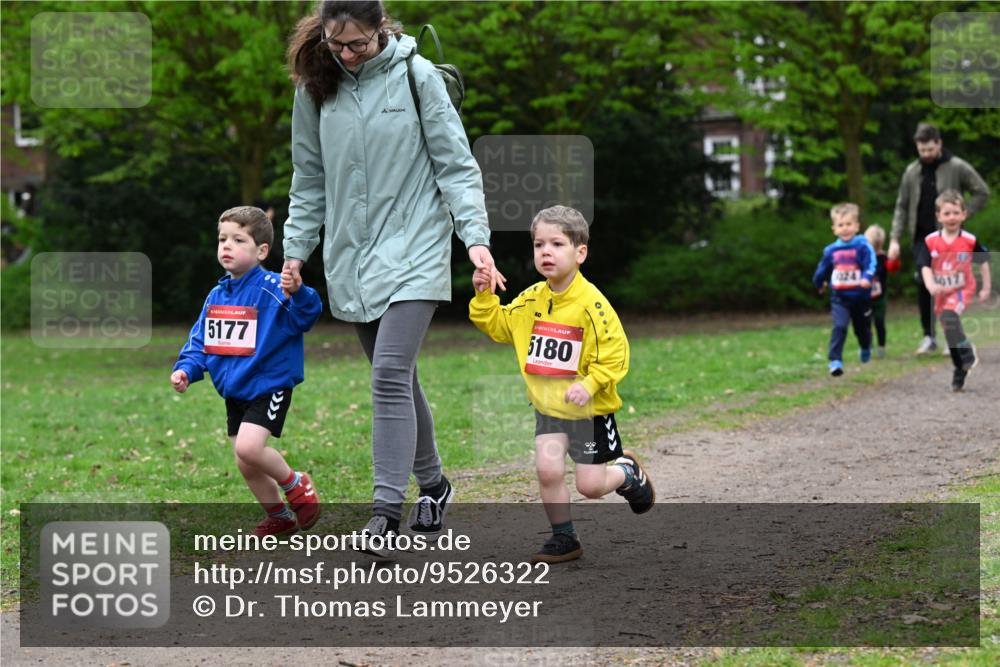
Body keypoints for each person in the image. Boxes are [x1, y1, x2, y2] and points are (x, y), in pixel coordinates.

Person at [282, 1, 505, 555]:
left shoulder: (416, 75)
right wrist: (295, 251)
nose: (346, 54)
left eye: (357, 43)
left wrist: (475, 239)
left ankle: (384, 513)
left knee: (387, 375)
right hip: (351, 256)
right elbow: (308, 178)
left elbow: (456, 165)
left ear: (380, 29)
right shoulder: (316, 87)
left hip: (416, 247)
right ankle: (434, 484)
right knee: (399, 378)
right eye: (336, 43)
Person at [469, 206, 654, 564]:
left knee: (591, 486)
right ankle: (564, 537)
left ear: (580, 252)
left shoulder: (592, 305)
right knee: (548, 470)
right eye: (539, 244)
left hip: (588, 411)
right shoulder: (532, 299)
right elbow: (500, 326)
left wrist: (591, 384)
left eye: (557, 244)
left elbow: (615, 354)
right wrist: (484, 297)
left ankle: (627, 472)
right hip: (549, 409)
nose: (546, 252)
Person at [171, 206, 324, 537]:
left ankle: (297, 484)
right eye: (222, 239)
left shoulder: (275, 287)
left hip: (269, 385)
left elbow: (307, 315)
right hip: (235, 390)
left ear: (261, 251)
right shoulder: (216, 296)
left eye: (239, 240)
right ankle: (280, 517)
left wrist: (299, 291)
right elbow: (201, 341)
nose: (227, 245)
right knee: (246, 462)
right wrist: (186, 369)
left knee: (249, 449)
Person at [888, 123, 989, 355]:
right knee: (924, 284)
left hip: (949, 239)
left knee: (951, 285)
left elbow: (982, 191)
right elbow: (901, 206)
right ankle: (928, 336)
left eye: (930, 149)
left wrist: (962, 214)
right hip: (922, 239)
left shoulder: (956, 166)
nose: (926, 154)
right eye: (921, 150)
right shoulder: (912, 171)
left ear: (939, 144)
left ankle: (951, 335)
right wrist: (894, 238)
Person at [917, 190, 991, 392]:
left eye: (956, 213)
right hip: (941, 292)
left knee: (949, 316)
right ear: (938, 216)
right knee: (950, 334)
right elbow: (924, 265)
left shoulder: (969, 240)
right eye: (947, 213)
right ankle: (960, 368)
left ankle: (966, 350)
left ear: (964, 215)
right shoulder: (931, 241)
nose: (952, 217)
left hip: (962, 289)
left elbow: (983, 262)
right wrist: (931, 285)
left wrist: (986, 287)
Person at [812, 203, 877, 377]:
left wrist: (867, 277)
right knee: (839, 326)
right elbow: (822, 269)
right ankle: (835, 361)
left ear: (856, 226)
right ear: (834, 229)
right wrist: (819, 283)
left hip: (860, 297)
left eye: (849, 224)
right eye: (841, 225)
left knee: (862, 329)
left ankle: (865, 346)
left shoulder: (862, 246)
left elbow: (871, 263)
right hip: (840, 298)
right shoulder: (831, 250)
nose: (845, 228)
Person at [863, 224, 899, 359]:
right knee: (865, 323)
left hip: (880, 297)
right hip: (865, 297)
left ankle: (881, 346)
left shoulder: (883, 258)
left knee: (879, 322)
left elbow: (892, 268)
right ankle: (867, 346)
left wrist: (894, 259)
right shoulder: (863, 257)